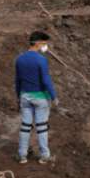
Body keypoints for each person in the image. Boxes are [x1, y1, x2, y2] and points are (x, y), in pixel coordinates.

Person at [15, 31, 58, 164]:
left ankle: (22, 155)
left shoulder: (19, 59)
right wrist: (54, 96)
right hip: (40, 97)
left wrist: (18, 96)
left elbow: (17, 80)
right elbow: (46, 80)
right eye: (44, 43)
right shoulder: (41, 60)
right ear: (38, 43)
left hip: (24, 96)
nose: (45, 46)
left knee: (25, 126)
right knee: (42, 127)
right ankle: (44, 155)